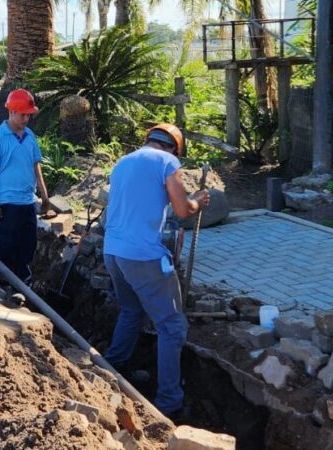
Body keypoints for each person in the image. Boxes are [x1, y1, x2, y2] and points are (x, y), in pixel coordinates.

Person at [102, 123, 210, 418]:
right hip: (142, 256)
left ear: (148, 140)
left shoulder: (123, 162)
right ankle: (169, 403)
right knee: (172, 326)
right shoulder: (167, 161)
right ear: (174, 147)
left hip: (113, 251)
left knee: (131, 311)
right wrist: (197, 201)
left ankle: (111, 367)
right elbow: (181, 209)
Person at [0, 89, 51, 283]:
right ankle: (3, 284)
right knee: (6, 245)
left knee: (27, 244)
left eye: (28, 115)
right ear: (11, 111)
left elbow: (36, 166)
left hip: (27, 201)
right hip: (7, 203)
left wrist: (44, 198)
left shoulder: (29, 136)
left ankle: (23, 281)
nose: (26, 119)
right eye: (23, 115)